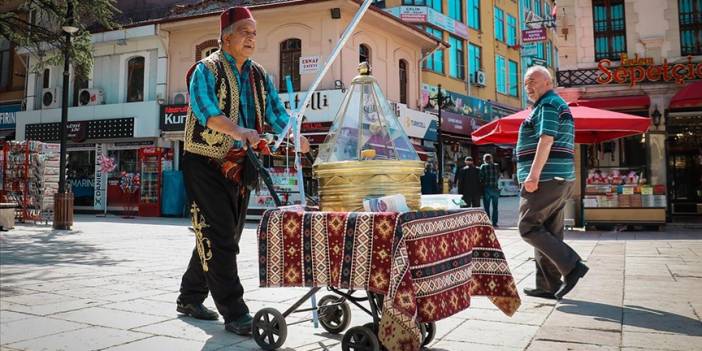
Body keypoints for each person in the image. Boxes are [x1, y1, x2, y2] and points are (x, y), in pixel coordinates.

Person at [176, 6, 310, 335]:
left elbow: (277, 115)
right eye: (244, 32)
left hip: (241, 165)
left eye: (254, 32)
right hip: (204, 161)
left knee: (222, 233)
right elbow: (206, 111)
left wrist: (294, 135)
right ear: (226, 37)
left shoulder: (260, 75)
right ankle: (234, 311)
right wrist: (239, 131)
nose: (252, 37)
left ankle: (190, 297)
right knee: (221, 234)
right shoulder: (205, 70)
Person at [517, 65, 588, 300]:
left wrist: (533, 174)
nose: (529, 86)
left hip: (546, 178)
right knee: (548, 231)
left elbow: (546, 140)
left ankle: (572, 265)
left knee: (528, 227)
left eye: (533, 81)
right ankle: (548, 285)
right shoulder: (552, 104)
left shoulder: (548, 104)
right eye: (526, 83)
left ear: (548, 82)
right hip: (558, 178)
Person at [480, 153, 500, 226]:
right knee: (495, 207)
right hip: (495, 188)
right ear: (491, 159)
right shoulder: (496, 166)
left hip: (487, 188)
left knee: (486, 206)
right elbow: (498, 175)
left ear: (484, 160)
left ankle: (487, 222)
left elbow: (481, 177)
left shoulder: (483, 166)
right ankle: (495, 223)